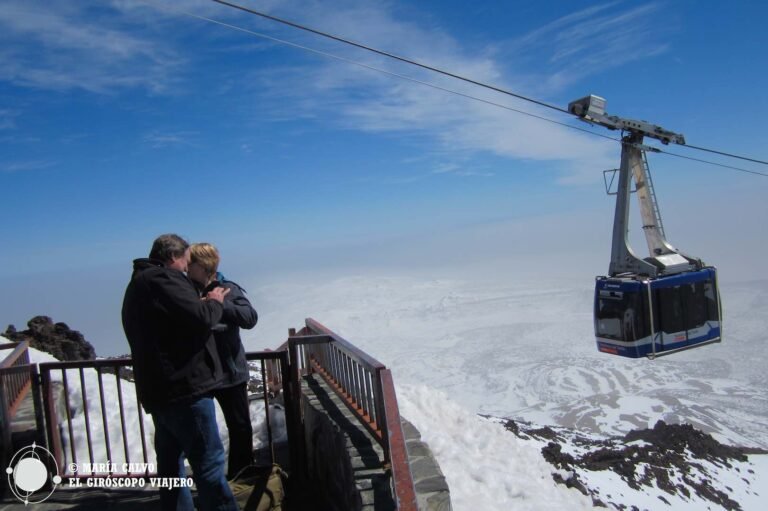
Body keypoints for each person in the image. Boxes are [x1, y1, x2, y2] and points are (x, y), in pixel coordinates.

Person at [121, 234, 238, 511]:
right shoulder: (164, 280)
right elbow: (201, 317)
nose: (187, 267)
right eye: (186, 260)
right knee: (209, 467)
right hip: (185, 391)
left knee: (172, 469)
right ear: (174, 257)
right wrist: (214, 300)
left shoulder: (138, 284)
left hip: (159, 393)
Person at [188, 242, 258, 479]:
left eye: (191, 264)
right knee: (202, 433)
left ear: (203, 266)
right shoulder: (185, 291)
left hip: (229, 375)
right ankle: (212, 482)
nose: (187, 269)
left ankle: (241, 479)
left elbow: (250, 317)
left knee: (240, 428)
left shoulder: (228, 289)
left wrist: (219, 303)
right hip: (200, 376)